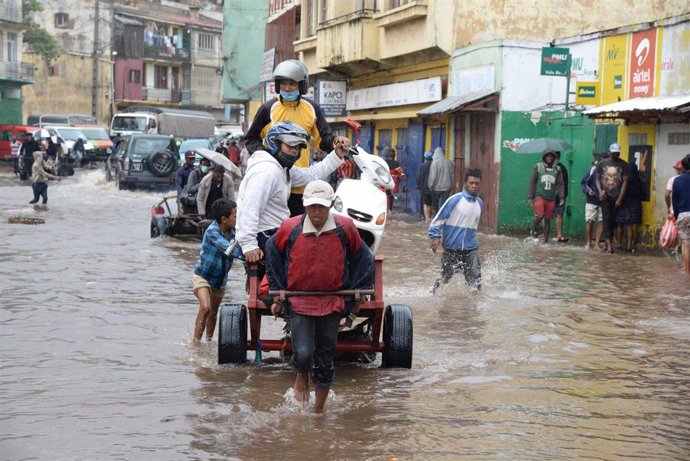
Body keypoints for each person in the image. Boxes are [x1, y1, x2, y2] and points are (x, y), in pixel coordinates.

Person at [265, 180, 374, 411]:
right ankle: (301, 374)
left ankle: (318, 412)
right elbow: (272, 251)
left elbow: (364, 258)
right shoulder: (290, 228)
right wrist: (278, 289)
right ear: (305, 206)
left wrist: (355, 292)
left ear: (331, 205)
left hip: (333, 300)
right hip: (300, 299)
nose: (317, 212)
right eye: (312, 207)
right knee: (303, 354)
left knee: (325, 358)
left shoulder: (345, 228)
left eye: (322, 207)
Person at [237, 121, 350, 281]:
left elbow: (311, 175)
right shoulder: (266, 171)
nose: (293, 151)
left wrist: (337, 155)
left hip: (278, 232)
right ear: (274, 144)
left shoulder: (281, 168)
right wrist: (249, 245)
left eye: (297, 147)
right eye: (289, 146)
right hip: (266, 235)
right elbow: (249, 209)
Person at [244, 59, 349, 216]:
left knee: (297, 231)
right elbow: (251, 139)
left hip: (300, 183)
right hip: (274, 180)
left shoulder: (312, 109)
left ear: (302, 85)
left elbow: (325, 140)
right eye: (283, 84)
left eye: (292, 84)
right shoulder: (267, 109)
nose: (287, 88)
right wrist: (267, 158)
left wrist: (337, 142)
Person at [192, 198, 244, 343]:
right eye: (235, 215)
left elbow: (239, 246)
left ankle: (208, 342)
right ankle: (195, 343)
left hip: (220, 280)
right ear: (224, 219)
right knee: (206, 308)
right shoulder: (212, 231)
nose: (237, 218)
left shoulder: (234, 233)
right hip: (203, 276)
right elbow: (229, 249)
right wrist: (247, 255)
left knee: (213, 313)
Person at [429, 168, 483, 293]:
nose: (474, 186)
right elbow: (437, 220)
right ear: (465, 183)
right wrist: (435, 237)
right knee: (445, 280)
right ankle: (433, 294)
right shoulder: (455, 200)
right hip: (451, 249)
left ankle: (472, 308)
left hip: (471, 249)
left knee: (476, 281)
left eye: (477, 183)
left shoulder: (479, 203)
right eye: (471, 183)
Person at [596, 143, 629, 254]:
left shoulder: (624, 164)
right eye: (614, 153)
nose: (616, 154)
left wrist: (620, 198)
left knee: (613, 220)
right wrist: (600, 191)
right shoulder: (602, 164)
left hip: (616, 197)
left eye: (617, 153)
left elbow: (625, 182)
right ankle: (609, 244)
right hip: (605, 196)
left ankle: (607, 241)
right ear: (610, 152)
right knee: (606, 218)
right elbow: (597, 179)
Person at [527, 149, 564, 243]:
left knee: (548, 220)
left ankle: (545, 242)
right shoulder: (538, 167)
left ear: (554, 158)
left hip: (551, 198)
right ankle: (533, 231)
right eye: (547, 156)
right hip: (540, 196)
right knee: (539, 215)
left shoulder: (557, 169)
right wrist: (530, 196)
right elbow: (532, 182)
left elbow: (560, 184)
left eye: (551, 156)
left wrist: (561, 197)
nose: (549, 158)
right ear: (544, 157)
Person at [615, 158, 643, 252]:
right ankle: (629, 246)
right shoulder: (639, 180)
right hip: (635, 204)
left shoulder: (625, 179)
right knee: (629, 226)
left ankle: (619, 244)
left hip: (624, 204)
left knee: (619, 224)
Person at [671, 154, 690, 273]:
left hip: (683, 215)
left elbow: (675, 201)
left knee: (686, 244)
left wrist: (677, 215)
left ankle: (688, 273)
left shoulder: (677, 180)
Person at [581, 152, 604, 250]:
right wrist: (588, 191)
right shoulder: (592, 169)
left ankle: (597, 244)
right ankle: (588, 242)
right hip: (592, 199)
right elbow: (583, 183)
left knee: (601, 221)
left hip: (604, 200)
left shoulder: (609, 170)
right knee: (590, 221)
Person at [428, 146, 454, 215]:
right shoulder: (449, 162)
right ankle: (443, 217)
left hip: (436, 188)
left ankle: (434, 217)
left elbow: (432, 176)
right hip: (447, 187)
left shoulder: (434, 163)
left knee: (434, 203)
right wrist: (452, 186)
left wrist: (430, 186)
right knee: (445, 204)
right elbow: (452, 176)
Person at [382, 147, 404, 212]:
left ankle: (384, 210)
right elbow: (402, 174)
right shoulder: (396, 163)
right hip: (392, 183)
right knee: (390, 197)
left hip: (384, 182)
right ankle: (390, 210)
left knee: (384, 196)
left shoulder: (384, 162)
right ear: (394, 156)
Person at [554, 151, 570, 242]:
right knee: (553, 215)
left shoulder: (561, 168)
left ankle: (559, 235)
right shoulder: (548, 168)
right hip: (551, 195)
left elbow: (564, 183)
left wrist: (563, 196)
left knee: (559, 214)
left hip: (560, 195)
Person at [417, 151, 433, 224]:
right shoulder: (433, 166)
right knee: (429, 203)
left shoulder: (421, 166)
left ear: (425, 158)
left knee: (425, 203)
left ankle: (426, 219)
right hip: (431, 187)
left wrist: (418, 186)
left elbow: (418, 177)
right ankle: (429, 218)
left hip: (423, 187)